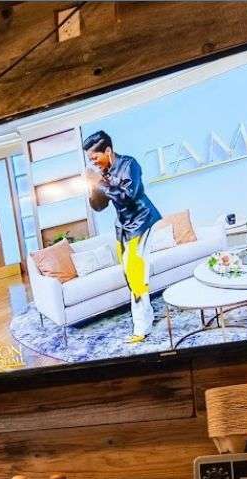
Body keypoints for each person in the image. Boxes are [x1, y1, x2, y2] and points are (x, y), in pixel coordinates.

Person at [83, 130, 162, 343]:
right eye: (90, 159)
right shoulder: (103, 173)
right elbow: (99, 206)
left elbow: (128, 196)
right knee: (130, 274)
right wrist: (92, 187)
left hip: (142, 221)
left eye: (95, 157)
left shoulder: (129, 164)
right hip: (123, 227)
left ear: (108, 150)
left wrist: (100, 182)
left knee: (135, 273)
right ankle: (147, 318)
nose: (93, 162)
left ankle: (141, 328)